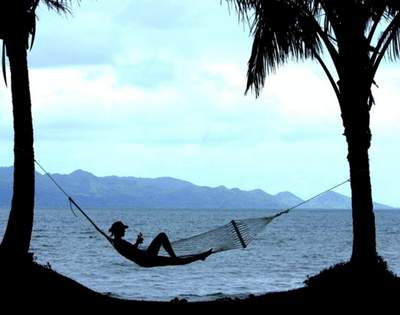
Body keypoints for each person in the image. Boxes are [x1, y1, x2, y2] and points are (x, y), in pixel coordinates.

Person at [107, 221, 212, 268]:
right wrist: (137, 243)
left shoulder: (117, 242)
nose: (124, 231)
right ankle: (200, 257)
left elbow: (131, 251)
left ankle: (198, 257)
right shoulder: (119, 242)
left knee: (162, 236)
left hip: (146, 256)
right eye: (123, 229)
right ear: (119, 230)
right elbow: (130, 251)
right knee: (178, 261)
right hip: (146, 260)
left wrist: (137, 243)